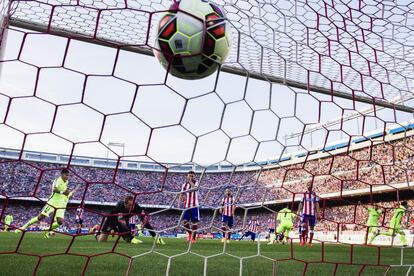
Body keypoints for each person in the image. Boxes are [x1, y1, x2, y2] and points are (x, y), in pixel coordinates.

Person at [16, 169, 75, 238]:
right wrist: (63, 192)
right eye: (66, 175)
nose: (67, 176)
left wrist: (69, 194)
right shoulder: (57, 180)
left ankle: (47, 229)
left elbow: (66, 192)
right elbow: (54, 189)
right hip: (52, 202)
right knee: (41, 217)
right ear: (62, 174)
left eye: (68, 175)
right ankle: (23, 227)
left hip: (61, 204)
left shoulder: (66, 182)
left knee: (60, 222)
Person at [96, 195, 166, 245]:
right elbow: (117, 220)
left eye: (133, 205)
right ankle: (95, 232)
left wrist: (155, 236)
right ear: (125, 204)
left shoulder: (136, 207)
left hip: (123, 223)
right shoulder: (119, 207)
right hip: (111, 221)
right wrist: (113, 228)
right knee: (102, 241)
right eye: (130, 205)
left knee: (128, 240)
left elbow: (145, 220)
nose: (132, 207)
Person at [179, 171, 200, 244]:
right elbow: (181, 193)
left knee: (194, 222)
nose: (191, 177)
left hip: (194, 205)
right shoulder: (184, 185)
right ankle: (190, 233)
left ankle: (193, 238)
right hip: (186, 206)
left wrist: (190, 181)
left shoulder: (196, 183)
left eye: (192, 176)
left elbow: (195, 189)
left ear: (194, 177)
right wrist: (180, 202)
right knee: (184, 222)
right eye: (189, 176)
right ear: (187, 176)